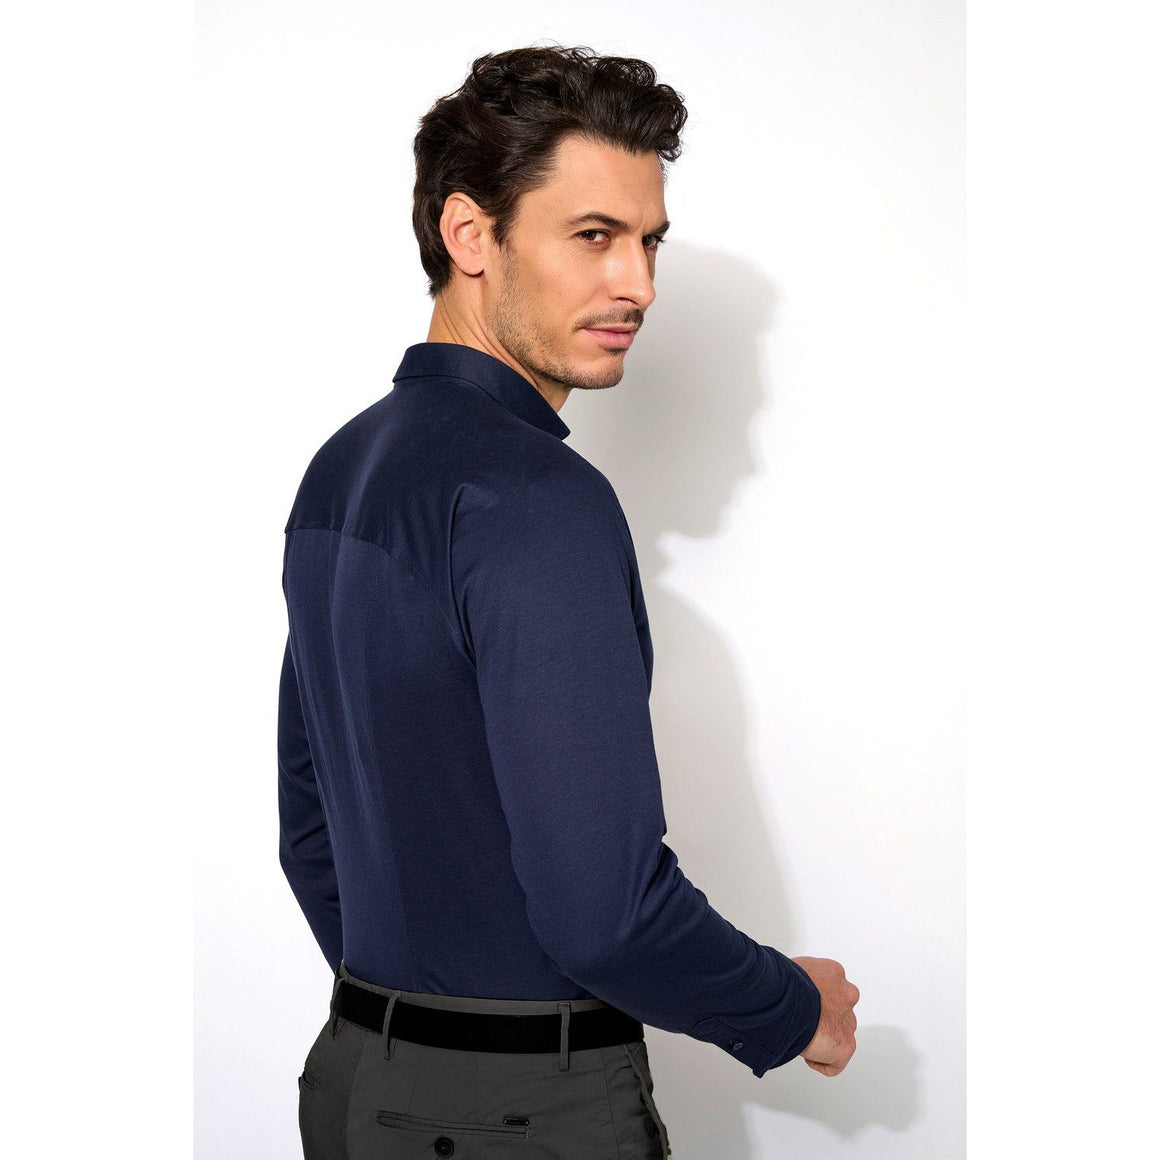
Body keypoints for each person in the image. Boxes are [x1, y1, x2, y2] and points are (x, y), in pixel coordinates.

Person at [278, 43, 859, 1160]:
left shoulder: (340, 470)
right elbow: (605, 914)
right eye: (593, 235)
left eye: (649, 240)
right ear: (469, 235)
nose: (638, 283)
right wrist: (793, 1009)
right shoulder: (537, 498)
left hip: (351, 1082)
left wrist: (409, 1035)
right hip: (519, 1117)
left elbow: (312, 834)